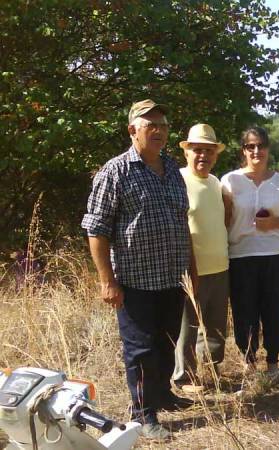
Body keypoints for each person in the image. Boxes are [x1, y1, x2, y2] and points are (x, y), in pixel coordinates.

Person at [81, 99, 193, 440]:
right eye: (150, 125)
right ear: (133, 130)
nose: (159, 131)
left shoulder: (173, 169)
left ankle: (161, 395)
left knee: (167, 342)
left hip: (172, 279)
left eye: (163, 124)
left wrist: (192, 272)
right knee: (141, 349)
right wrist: (107, 281)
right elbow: (96, 229)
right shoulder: (115, 172)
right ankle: (143, 414)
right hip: (134, 282)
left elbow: (182, 224)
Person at [221, 126, 279, 381]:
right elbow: (224, 219)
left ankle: (273, 361)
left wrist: (274, 223)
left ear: (268, 148)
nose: (256, 151)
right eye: (250, 146)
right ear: (243, 150)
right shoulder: (229, 181)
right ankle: (249, 361)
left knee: (275, 309)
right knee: (245, 311)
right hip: (241, 255)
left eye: (261, 145)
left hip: (276, 255)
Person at [173, 124, 229, 391]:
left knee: (216, 328)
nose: (203, 156)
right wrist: (187, 267)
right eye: (197, 150)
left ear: (215, 155)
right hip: (191, 268)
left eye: (208, 151)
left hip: (220, 267)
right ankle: (183, 378)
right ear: (187, 153)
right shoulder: (178, 180)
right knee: (187, 327)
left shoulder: (216, 182)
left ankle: (212, 374)